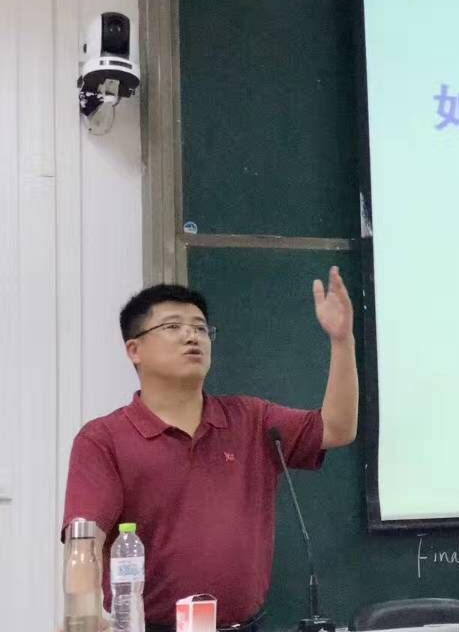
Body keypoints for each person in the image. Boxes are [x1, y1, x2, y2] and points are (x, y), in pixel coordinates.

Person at [61, 268, 358, 632]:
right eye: (173, 326)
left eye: (201, 328)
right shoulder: (103, 438)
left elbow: (337, 428)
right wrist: (85, 615)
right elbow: (85, 541)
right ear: (134, 350)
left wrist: (342, 341)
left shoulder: (251, 419)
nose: (192, 336)